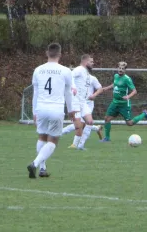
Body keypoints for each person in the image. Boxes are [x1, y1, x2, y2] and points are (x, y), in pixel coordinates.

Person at [28, 43, 75, 178]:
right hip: (56, 109)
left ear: (47, 53)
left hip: (41, 108)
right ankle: (35, 164)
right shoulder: (65, 71)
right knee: (53, 140)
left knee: (42, 137)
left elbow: (35, 93)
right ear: (60, 54)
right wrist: (71, 110)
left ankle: (42, 169)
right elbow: (68, 93)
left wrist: (34, 112)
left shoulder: (38, 70)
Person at [99, 61, 147, 142]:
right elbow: (115, 84)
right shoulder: (116, 76)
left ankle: (144, 114)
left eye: (122, 69)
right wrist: (106, 88)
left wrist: (128, 96)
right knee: (107, 119)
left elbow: (134, 91)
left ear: (125, 70)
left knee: (129, 123)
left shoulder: (127, 79)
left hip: (124, 104)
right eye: (119, 68)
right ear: (117, 68)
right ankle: (107, 138)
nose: (120, 70)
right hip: (115, 103)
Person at [63, 72, 104, 146]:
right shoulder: (76, 78)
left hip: (88, 104)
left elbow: (100, 89)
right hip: (78, 103)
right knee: (79, 124)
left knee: (80, 124)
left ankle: (73, 143)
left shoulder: (92, 78)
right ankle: (96, 128)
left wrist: (94, 95)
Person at [69, 55, 95, 149]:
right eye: (91, 62)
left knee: (90, 121)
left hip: (83, 102)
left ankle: (80, 145)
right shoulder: (79, 69)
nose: (93, 63)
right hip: (75, 101)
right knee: (79, 126)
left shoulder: (86, 72)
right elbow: (70, 76)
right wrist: (73, 87)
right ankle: (75, 145)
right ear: (85, 61)